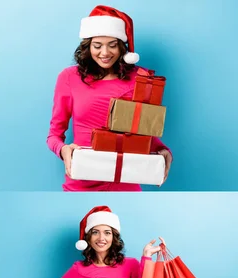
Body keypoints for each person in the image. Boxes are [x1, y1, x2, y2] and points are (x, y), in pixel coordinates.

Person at [46, 5, 173, 192]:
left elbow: (144, 132)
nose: (105, 53)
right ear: (87, 46)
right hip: (81, 183)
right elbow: (54, 136)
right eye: (97, 46)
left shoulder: (141, 78)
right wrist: (63, 150)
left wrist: (163, 150)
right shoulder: (69, 78)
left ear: (122, 47)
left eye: (112, 45)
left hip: (127, 183)